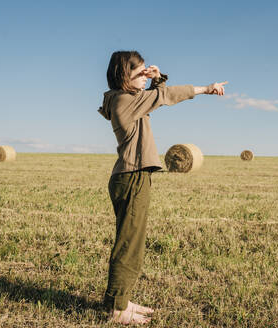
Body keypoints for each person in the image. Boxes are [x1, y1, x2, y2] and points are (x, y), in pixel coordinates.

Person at [98, 50, 227, 325]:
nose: (145, 77)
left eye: (146, 71)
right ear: (124, 75)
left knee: (131, 241)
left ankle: (119, 300)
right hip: (132, 176)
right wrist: (205, 89)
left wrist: (156, 80)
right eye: (140, 73)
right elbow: (165, 98)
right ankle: (117, 309)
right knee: (129, 244)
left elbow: (156, 99)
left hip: (133, 175)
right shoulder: (123, 100)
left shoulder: (128, 100)